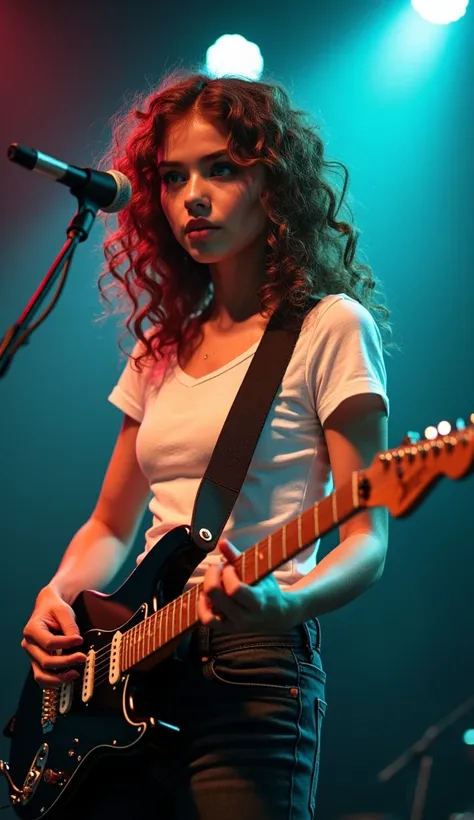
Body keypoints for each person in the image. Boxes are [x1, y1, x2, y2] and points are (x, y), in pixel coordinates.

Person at [20, 70, 391, 819]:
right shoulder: (159, 347)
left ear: (273, 182)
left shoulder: (331, 327)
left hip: (251, 671)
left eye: (222, 168)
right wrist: (56, 596)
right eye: (173, 176)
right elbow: (111, 524)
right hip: (129, 665)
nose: (193, 194)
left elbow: (368, 538)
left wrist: (280, 603)